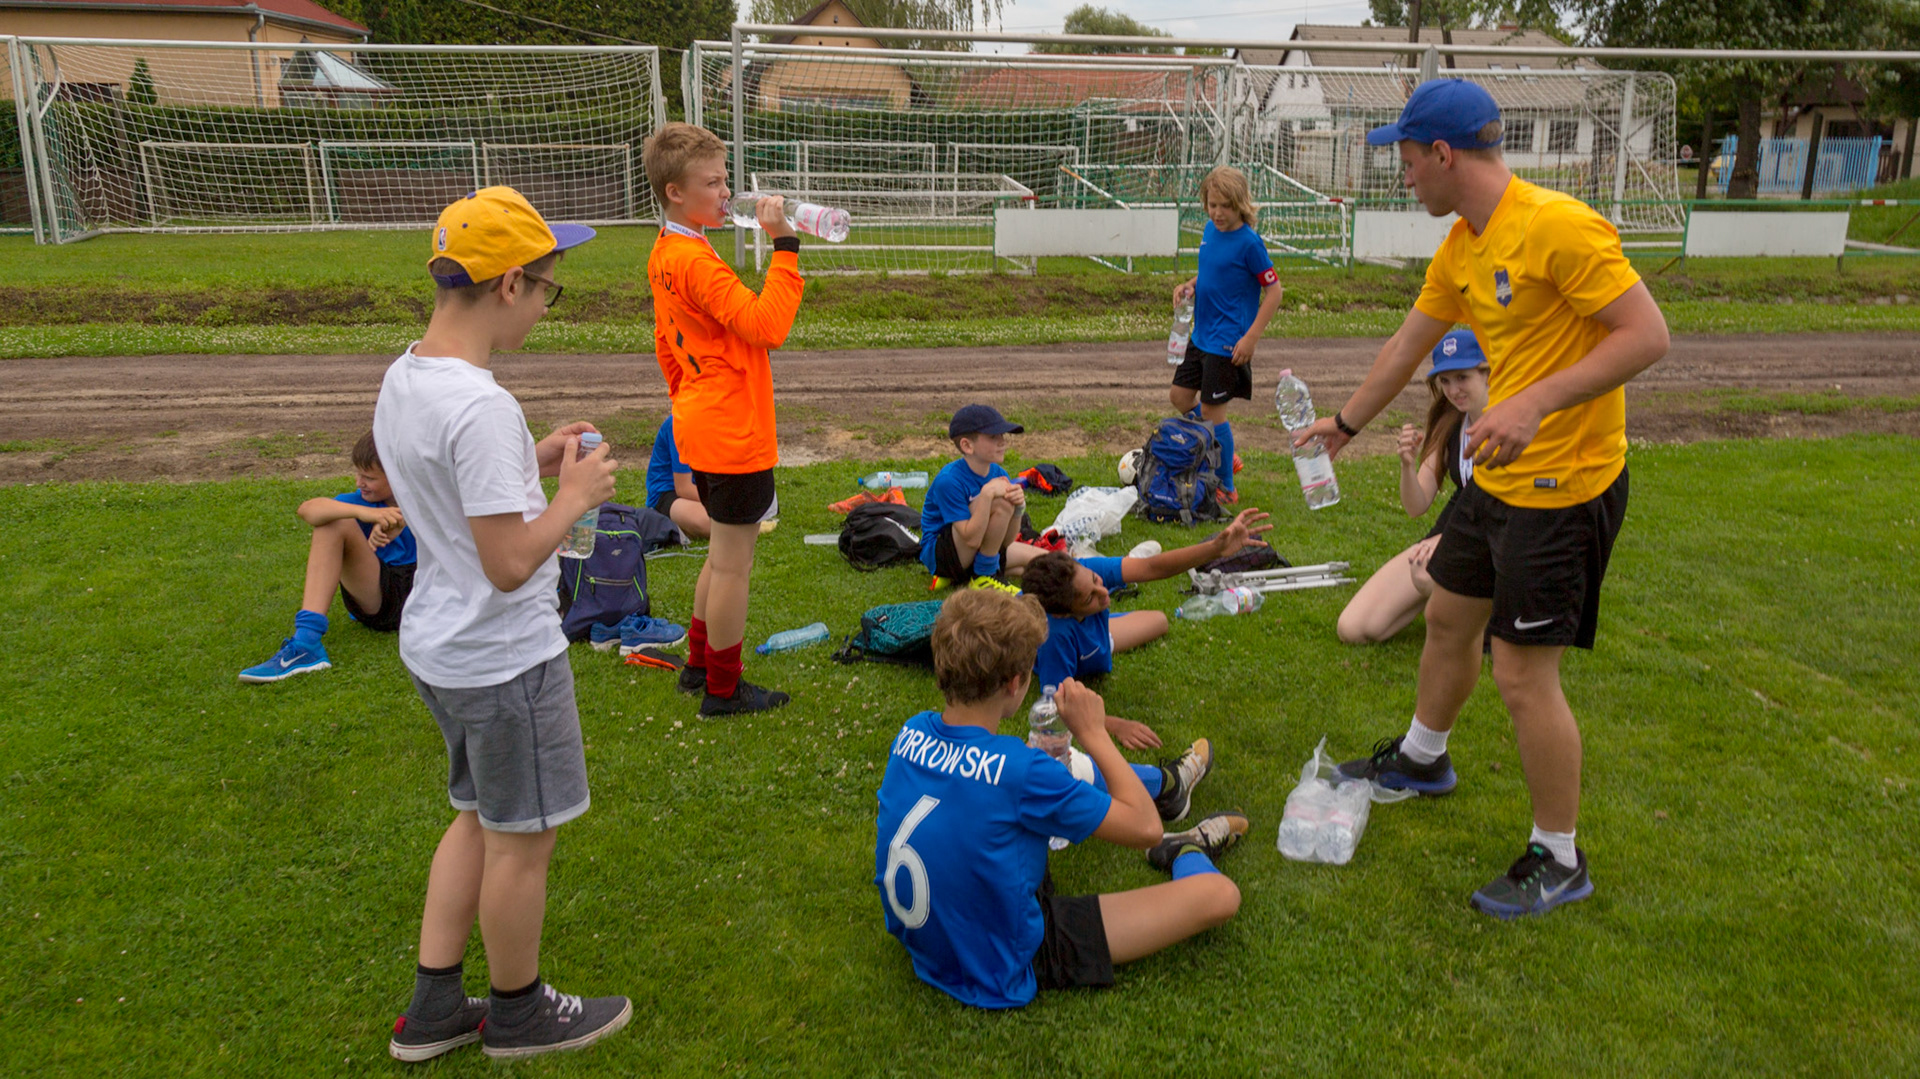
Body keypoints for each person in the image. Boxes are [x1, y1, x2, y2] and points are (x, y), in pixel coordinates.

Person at [1289, 80, 1670, 918]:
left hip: (1563, 492)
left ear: (1443, 154)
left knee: (1525, 676)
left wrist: (1533, 402)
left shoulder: (1559, 225)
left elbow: (1648, 335)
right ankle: (1425, 757)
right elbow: (1408, 342)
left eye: (1406, 158)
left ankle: (1559, 856)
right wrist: (1346, 426)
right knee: (1448, 618)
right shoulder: (1463, 243)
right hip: (1491, 486)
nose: (1403, 176)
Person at [375, 187, 630, 1061]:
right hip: (503, 656)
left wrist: (534, 458)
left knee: (477, 816)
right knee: (524, 838)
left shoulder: (408, 373)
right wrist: (574, 494)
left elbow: (454, 494)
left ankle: (434, 1005)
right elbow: (512, 561)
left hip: (443, 648)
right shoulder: (480, 405)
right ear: (509, 284)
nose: (547, 309)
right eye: (550, 290)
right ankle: (520, 1012)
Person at [873, 588, 1248, 1010]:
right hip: (1007, 952)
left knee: (1042, 787)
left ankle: (1166, 783)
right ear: (1016, 683)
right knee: (1219, 896)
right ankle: (1186, 852)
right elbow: (1146, 828)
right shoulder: (1021, 772)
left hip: (929, 938)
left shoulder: (911, 731)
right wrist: (1094, 732)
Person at [644, 122, 805, 716]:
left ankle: (697, 666)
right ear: (674, 193)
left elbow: (667, 345)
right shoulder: (697, 262)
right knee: (734, 564)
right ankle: (723, 688)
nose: (726, 191)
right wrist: (784, 245)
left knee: (719, 556)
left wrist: (690, 395)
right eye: (711, 182)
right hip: (732, 431)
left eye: (725, 178)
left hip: (701, 423)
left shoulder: (668, 251)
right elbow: (768, 327)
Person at [1018, 507, 1274, 708]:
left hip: (1096, 634)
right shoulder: (1055, 635)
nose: (1104, 593)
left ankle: (1100, 618)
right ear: (1064, 612)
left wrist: (1215, 549)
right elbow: (1059, 704)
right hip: (1068, 643)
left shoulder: (1085, 571)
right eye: (1090, 599)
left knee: (1160, 621)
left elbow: (1152, 567)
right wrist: (1114, 724)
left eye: (1097, 582)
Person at [1336, 329, 1490, 644]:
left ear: (1487, 372)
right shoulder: (1450, 421)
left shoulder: (1511, 421)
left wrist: (1448, 543)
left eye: (1462, 377)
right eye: (1444, 381)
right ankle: (1449, 597)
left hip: (1494, 535)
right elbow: (1416, 505)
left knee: (1429, 576)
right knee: (1354, 628)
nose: (1453, 390)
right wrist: (1407, 464)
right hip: (1454, 529)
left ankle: (1478, 614)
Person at [238, 430, 415, 683]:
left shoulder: (430, 500)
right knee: (333, 523)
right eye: (358, 473)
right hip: (381, 599)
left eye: (369, 477)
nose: (359, 482)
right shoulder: (359, 502)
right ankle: (307, 643)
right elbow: (308, 509)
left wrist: (405, 520)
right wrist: (367, 514)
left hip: (429, 599)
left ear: (399, 475)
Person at [1170, 166, 1285, 504]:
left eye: (1225, 206)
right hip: (1201, 334)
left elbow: (1275, 291)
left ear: (1240, 205)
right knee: (1179, 397)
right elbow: (1211, 272)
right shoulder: (1209, 230)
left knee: (1211, 410)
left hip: (1228, 341)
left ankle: (1227, 488)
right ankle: (1221, 446)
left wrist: (1251, 338)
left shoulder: (1250, 243)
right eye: (1212, 204)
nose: (1217, 213)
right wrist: (1189, 285)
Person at [919, 404, 1038, 592]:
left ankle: (976, 573)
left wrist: (1018, 508)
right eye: (993, 437)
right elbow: (971, 540)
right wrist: (987, 495)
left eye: (1002, 435)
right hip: (945, 556)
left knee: (1040, 562)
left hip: (981, 551)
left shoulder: (998, 472)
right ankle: (984, 577)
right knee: (999, 501)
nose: (1002, 441)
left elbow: (1006, 541)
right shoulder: (949, 480)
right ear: (967, 445)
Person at [644, 414, 709, 540]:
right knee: (714, 523)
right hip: (669, 494)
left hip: (704, 490)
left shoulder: (720, 423)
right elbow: (684, 488)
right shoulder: (681, 424)